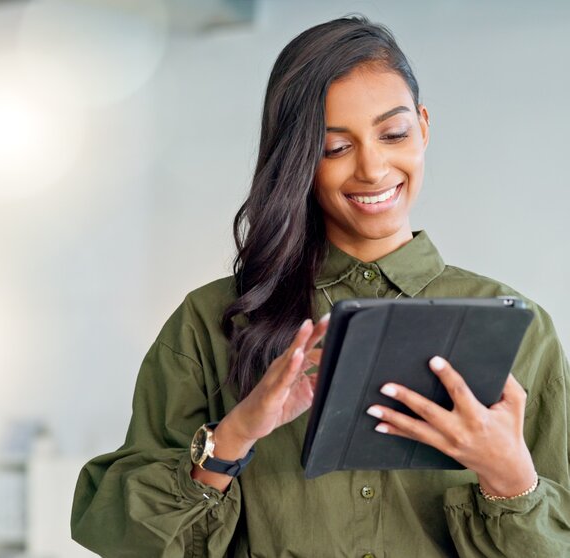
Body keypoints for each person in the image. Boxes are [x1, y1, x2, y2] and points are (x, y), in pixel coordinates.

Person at [71, 16, 570, 557]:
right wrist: (235, 434)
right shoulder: (213, 321)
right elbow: (123, 537)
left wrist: (510, 476)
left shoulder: (519, 331)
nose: (374, 168)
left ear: (423, 128)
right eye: (335, 148)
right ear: (299, 159)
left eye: (394, 133)